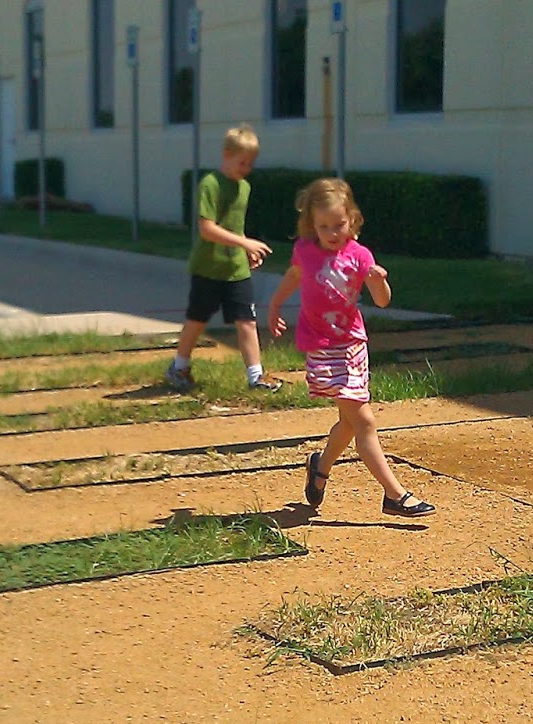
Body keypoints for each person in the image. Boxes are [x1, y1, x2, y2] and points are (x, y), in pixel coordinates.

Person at [267, 178, 435, 518]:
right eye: (323, 226)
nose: (331, 232)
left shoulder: (359, 256)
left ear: (352, 220)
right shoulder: (306, 251)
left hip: (353, 345)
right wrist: (274, 307)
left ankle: (320, 465)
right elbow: (293, 277)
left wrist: (378, 280)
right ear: (312, 225)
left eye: (339, 225)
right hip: (322, 347)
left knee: (350, 421)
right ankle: (394, 494)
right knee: (364, 421)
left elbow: (383, 302)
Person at [165, 125, 279, 393]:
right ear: (226, 154)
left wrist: (246, 251)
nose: (247, 168)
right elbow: (207, 228)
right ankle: (179, 366)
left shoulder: (245, 188)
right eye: (242, 162)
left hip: (235, 269)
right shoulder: (210, 184)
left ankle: (256, 376)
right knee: (198, 320)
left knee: (247, 321)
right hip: (208, 268)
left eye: (251, 163)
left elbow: (235, 228)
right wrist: (245, 243)